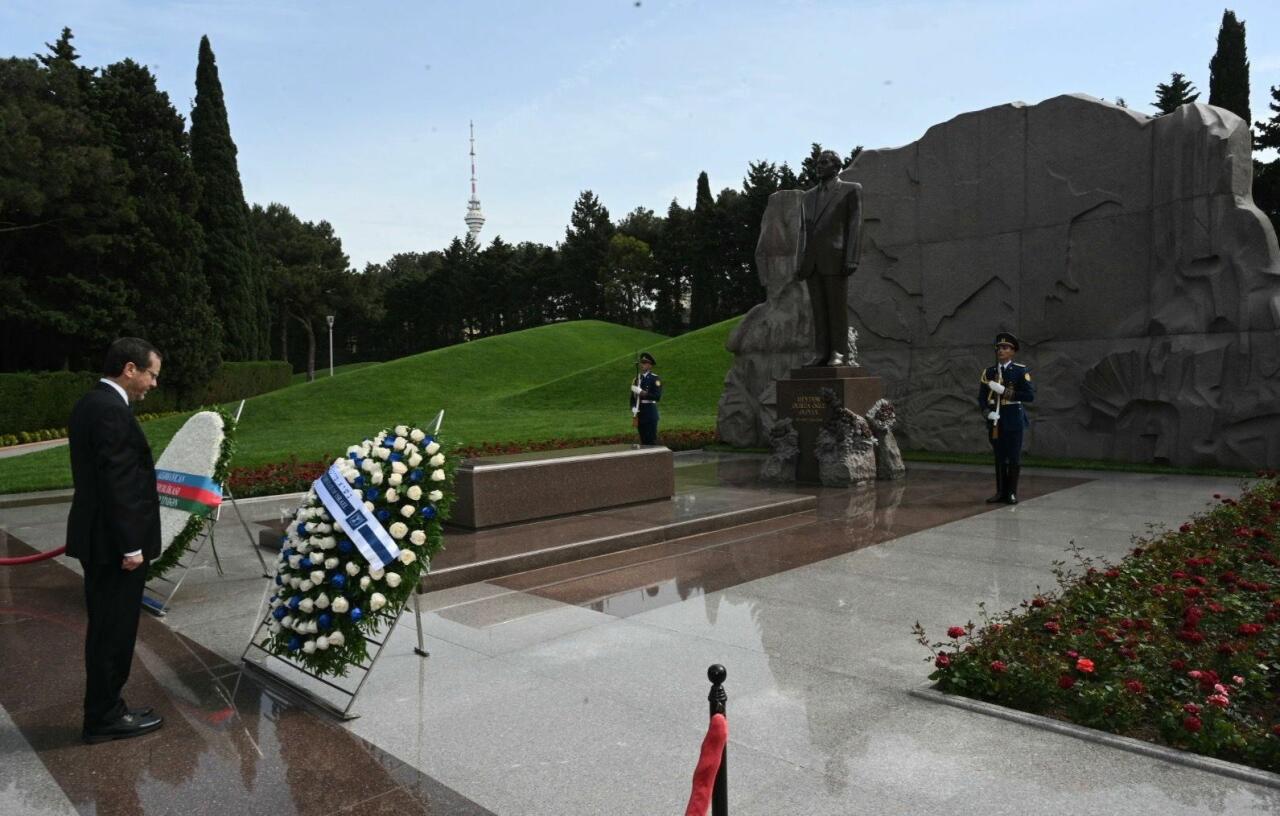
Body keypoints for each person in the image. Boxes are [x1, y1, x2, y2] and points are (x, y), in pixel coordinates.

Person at [66, 337, 165, 743]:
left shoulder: (91, 403)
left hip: (99, 540)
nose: (153, 384)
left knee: (106, 629)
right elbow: (118, 483)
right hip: (114, 547)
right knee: (114, 633)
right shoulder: (110, 411)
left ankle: (108, 707)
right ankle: (104, 717)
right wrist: (131, 546)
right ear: (130, 369)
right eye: (151, 375)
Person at [797, 149, 863, 366]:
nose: (819, 166)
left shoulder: (850, 190)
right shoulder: (807, 197)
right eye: (818, 162)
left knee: (837, 309)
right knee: (819, 311)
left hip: (836, 258)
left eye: (824, 162)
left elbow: (855, 225)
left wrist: (852, 257)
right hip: (812, 262)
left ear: (836, 166)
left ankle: (839, 352)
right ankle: (821, 352)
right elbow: (803, 231)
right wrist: (800, 261)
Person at [977, 332, 1035, 504]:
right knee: (999, 456)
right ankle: (1000, 492)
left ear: (1013, 351)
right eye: (999, 348)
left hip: (1014, 420)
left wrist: (1004, 391)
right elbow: (981, 398)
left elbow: (1029, 396)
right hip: (996, 421)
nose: (1001, 351)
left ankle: (1011, 493)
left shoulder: (1020, 371)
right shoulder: (989, 372)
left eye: (1005, 348)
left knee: (1013, 456)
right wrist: (987, 413)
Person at [629, 352, 663, 445]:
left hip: (650, 413)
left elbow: (657, 396)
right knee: (643, 441)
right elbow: (632, 397)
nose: (642, 365)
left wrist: (642, 392)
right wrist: (633, 407)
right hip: (640, 413)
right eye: (641, 362)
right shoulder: (637, 379)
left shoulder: (655, 379)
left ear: (650, 365)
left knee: (651, 441)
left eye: (645, 363)